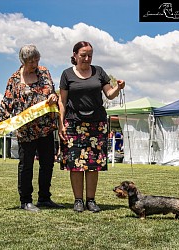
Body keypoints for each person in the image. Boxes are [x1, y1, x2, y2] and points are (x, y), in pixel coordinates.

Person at [0, 44, 64, 212]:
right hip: (25, 130)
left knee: (47, 163)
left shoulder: (44, 72)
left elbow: (51, 92)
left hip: (45, 127)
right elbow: (6, 104)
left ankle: (44, 197)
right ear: (23, 61)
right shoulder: (14, 80)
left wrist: (53, 96)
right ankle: (26, 200)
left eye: (37, 60)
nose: (35, 64)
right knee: (26, 165)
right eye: (31, 61)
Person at [58, 41, 125, 212]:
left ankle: (91, 200)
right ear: (74, 55)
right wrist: (61, 124)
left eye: (90, 55)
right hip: (73, 123)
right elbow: (62, 101)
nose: (87, 59)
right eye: (83, 55)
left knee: (93, 163)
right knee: (75, 163)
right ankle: (78, 200)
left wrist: (118, 87)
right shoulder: (66, 74)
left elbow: (109, 95)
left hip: (97, 123)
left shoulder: (99, 71)